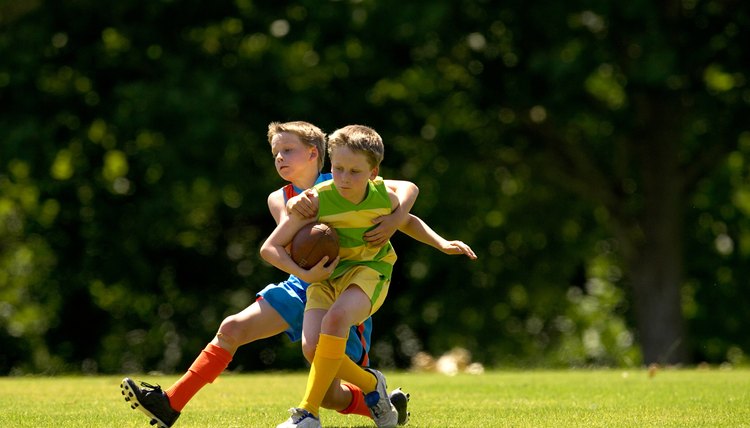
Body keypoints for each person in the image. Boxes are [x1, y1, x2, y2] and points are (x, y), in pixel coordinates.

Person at [120, 121, 474, 428]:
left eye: (288, 150)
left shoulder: (343, 176)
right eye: (275, 152)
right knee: (231, 328)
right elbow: (290, 244)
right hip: (301, 283)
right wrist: (302, 259)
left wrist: (399, 223)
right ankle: (171, 403)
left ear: (314, 154)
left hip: (348, 280)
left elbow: (404, 191)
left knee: (331, 388)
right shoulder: (282, 198)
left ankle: (375, 399)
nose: (279, 158)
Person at [260, 124, 476, 428]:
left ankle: (307, 415)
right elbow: (270, 248)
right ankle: (372, 384)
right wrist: (304, 273)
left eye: (355, 171)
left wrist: (441, 242)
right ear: (330, 164)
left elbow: (409, 219)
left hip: (368, 272)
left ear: (374, 173)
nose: (345, 178)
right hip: (325, 279)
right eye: (338, 169)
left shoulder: (379, 196)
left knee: (335, 321)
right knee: (312, 349)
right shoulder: (316, 200)